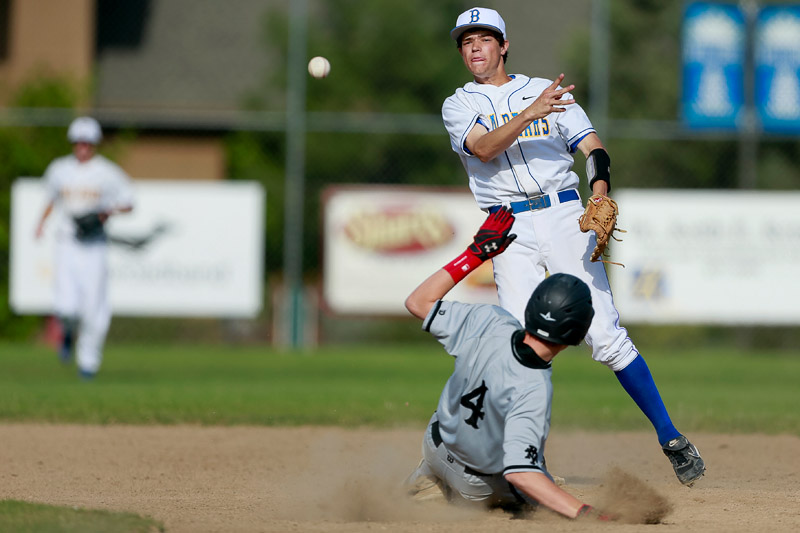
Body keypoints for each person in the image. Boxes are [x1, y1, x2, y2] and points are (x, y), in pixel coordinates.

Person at [441, 7, 704, 485]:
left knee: (604, 334)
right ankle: (521, 461)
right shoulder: (459, 103)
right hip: (507, 227)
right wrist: (529, 113)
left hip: (564, 215)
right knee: (518, 346)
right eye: (465, 41)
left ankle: (671, 437)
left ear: (503, 45)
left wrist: (599, 191)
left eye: (484, 38)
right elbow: (483, 148)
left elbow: (594, 148)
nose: (474, 48)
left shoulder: (549, 91)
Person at [403, 207, 609, 519]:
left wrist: (475, 254)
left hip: (435, 445)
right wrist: (586, 513)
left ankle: (430, 478)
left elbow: (417, 303)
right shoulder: (533, 387)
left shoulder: (490, 320)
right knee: (536, 487)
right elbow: (520, 473)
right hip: (477, 483)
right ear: (576, 335)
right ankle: (453, 492)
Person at [34, 116, 135, 380]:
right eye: (78, 142)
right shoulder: (59, 169)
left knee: (94, 308)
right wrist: (40, 224)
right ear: (72, 143)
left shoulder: (106, 172)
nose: (83, 147)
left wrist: (106, 212)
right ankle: (67, 334)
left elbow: (129, 201)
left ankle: (88, 363)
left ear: (95, 144)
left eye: (87, 142)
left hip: (94, 244)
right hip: (67, 242)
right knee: (66, 306)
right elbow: (51, 198)